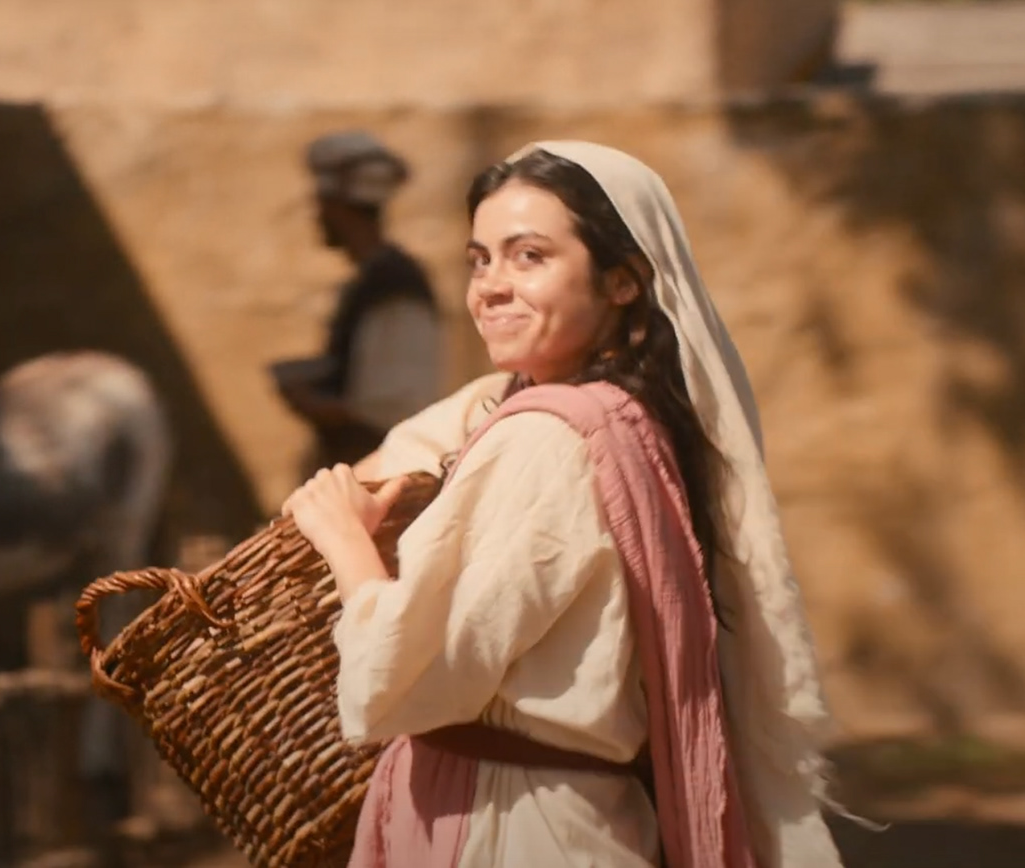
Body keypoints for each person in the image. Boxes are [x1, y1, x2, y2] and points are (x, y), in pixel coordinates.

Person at [283, 142, 847, 866]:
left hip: (516, 830)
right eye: (480, 260)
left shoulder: (548, 441)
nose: (491, 287)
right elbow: (450, 424)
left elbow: (407, 678)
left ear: (622, 281)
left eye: (530, 257)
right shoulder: (626, 418)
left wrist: (345, 541)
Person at [272, 130, 442, 473]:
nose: (317, 216)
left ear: (337, 208)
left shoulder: (393, 284)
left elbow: (391, 409)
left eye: (321, 204)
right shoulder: (371, 281)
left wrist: (313, 402)